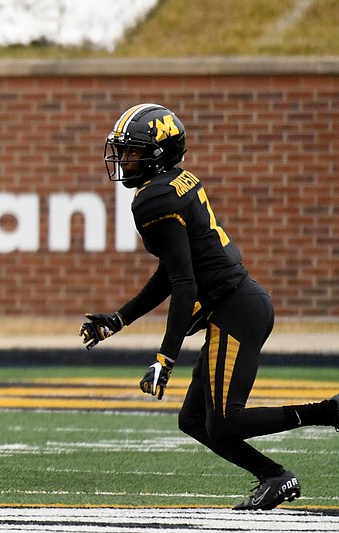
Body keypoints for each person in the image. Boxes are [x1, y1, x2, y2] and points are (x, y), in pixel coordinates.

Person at [79, 103, 339, 511]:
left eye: (132, 152)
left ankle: (329, 411)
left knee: (227, 420)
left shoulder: (153, 200)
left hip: (236, 308)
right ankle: (275, 476)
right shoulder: (173, 183)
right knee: (196, 421)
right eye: (124, 152)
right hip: (235, 304)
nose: (124, 161)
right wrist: (118, 320)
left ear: (159, 153)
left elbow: (184, 284)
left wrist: (165, 357)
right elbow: (173, 273)